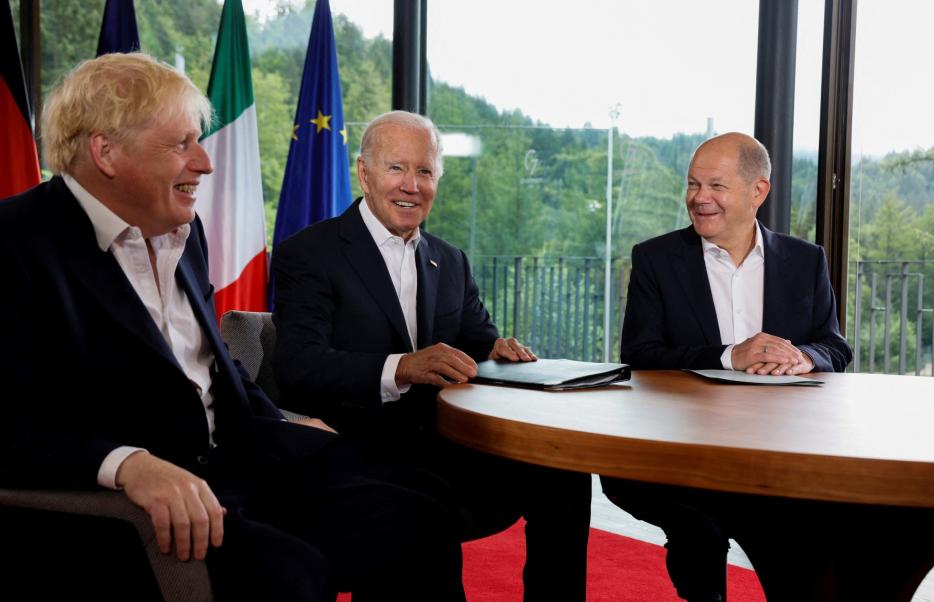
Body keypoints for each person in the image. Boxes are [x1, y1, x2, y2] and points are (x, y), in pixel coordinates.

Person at [0, 53, 464, 601]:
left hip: (245, 458)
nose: (205, 162)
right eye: (182, 145)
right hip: (159, 498)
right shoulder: (16, 244)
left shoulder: (182, 233)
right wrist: (126, 465)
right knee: (295, 574)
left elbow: (212, 365)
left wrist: (286, 421)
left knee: (424, 508)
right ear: (106, 151)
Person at [272, 110, 592, 601]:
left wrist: (497, 350)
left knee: (563, 471)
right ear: (365, 172)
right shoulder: (309, 253)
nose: (412, 185)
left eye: (425, 171)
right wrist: (400, 366)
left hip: (445, 440)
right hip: (359, 446)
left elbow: (478, 339)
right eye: (397, 168)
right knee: (422, 508)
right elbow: (299, 367)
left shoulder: (451, 260)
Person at [602, 132, 852, 602]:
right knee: (702, 531)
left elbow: (835, 348)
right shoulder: (655, 259)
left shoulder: (806, 260)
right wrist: (728, 355)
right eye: (693, 185)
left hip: (781, 456)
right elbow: (641, 355)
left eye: (716, 186)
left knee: (816, 542)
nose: (699, 199)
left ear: (758, 191)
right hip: (682, 456)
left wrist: (803, 358)